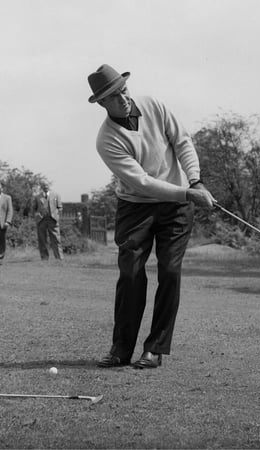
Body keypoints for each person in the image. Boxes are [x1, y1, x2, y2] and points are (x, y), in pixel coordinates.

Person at [87, 64, 215, 369]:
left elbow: (182, 141)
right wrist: (187, 193)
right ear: (102, 103)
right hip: (136, 206)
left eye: (123, 90)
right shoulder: (106, 140)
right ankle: (121, 349)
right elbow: (142, 182)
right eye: (114, 96)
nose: (123, 98)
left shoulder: (154, 105)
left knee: (170, 271)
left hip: (176, 207)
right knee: (131, 274)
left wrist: (194, 180)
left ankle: (155, 348)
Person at [32, 182, 62, 261]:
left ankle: (59, 258)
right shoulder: (37, 197)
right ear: (42, 187)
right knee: (42, 239)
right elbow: (33, 208)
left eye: (47, 186)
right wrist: (37, 215)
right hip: (41, 220)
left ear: (49, 187)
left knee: (56, 239)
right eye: (44, 186)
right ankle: (44, 258)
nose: (45, 187)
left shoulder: (56, 195)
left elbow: (60, 208)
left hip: (53, 220)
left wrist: (57, 216)